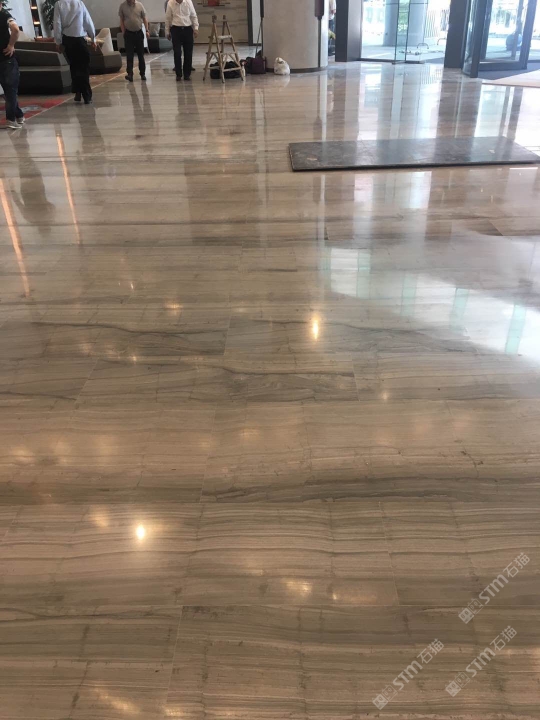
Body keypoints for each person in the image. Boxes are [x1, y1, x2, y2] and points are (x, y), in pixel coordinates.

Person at [53, 0, 96, 104]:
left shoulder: (59, 4)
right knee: (84, 68)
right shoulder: (79, 3)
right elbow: (87, 21)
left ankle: (78, 92)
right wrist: (93, 38)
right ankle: (86, 95)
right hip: (80, 39)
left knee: (74, 66)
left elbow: (57, 23)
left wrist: (58, 42)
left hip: (67, 40)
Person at [0, 1, 23, 129]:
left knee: (8, 91)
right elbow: (15, 29)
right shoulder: (4, 16)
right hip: (6, 57)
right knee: (11, 90)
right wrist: (11, 45)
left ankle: (19, 115)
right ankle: (11, 119)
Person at [165, 0, 198, 82]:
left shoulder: (188, 2)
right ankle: (178, 74)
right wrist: (167, 32)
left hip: (187, 29)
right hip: (176, 30)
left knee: (188, 53)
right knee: (177, 53)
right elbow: (168, 18)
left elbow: (193, 15)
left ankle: (187, 74)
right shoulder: (170, 3)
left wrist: (196, 28)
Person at [119, 0, 149, 82]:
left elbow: (144, 18)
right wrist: (123, 32)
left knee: (141, 54)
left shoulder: (140, 5)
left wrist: (147, 30)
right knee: (129, 55)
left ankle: (142, 73)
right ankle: (130, 74)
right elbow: (121, 20)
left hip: (138, 33)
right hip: (128, 34)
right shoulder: (122, 6)